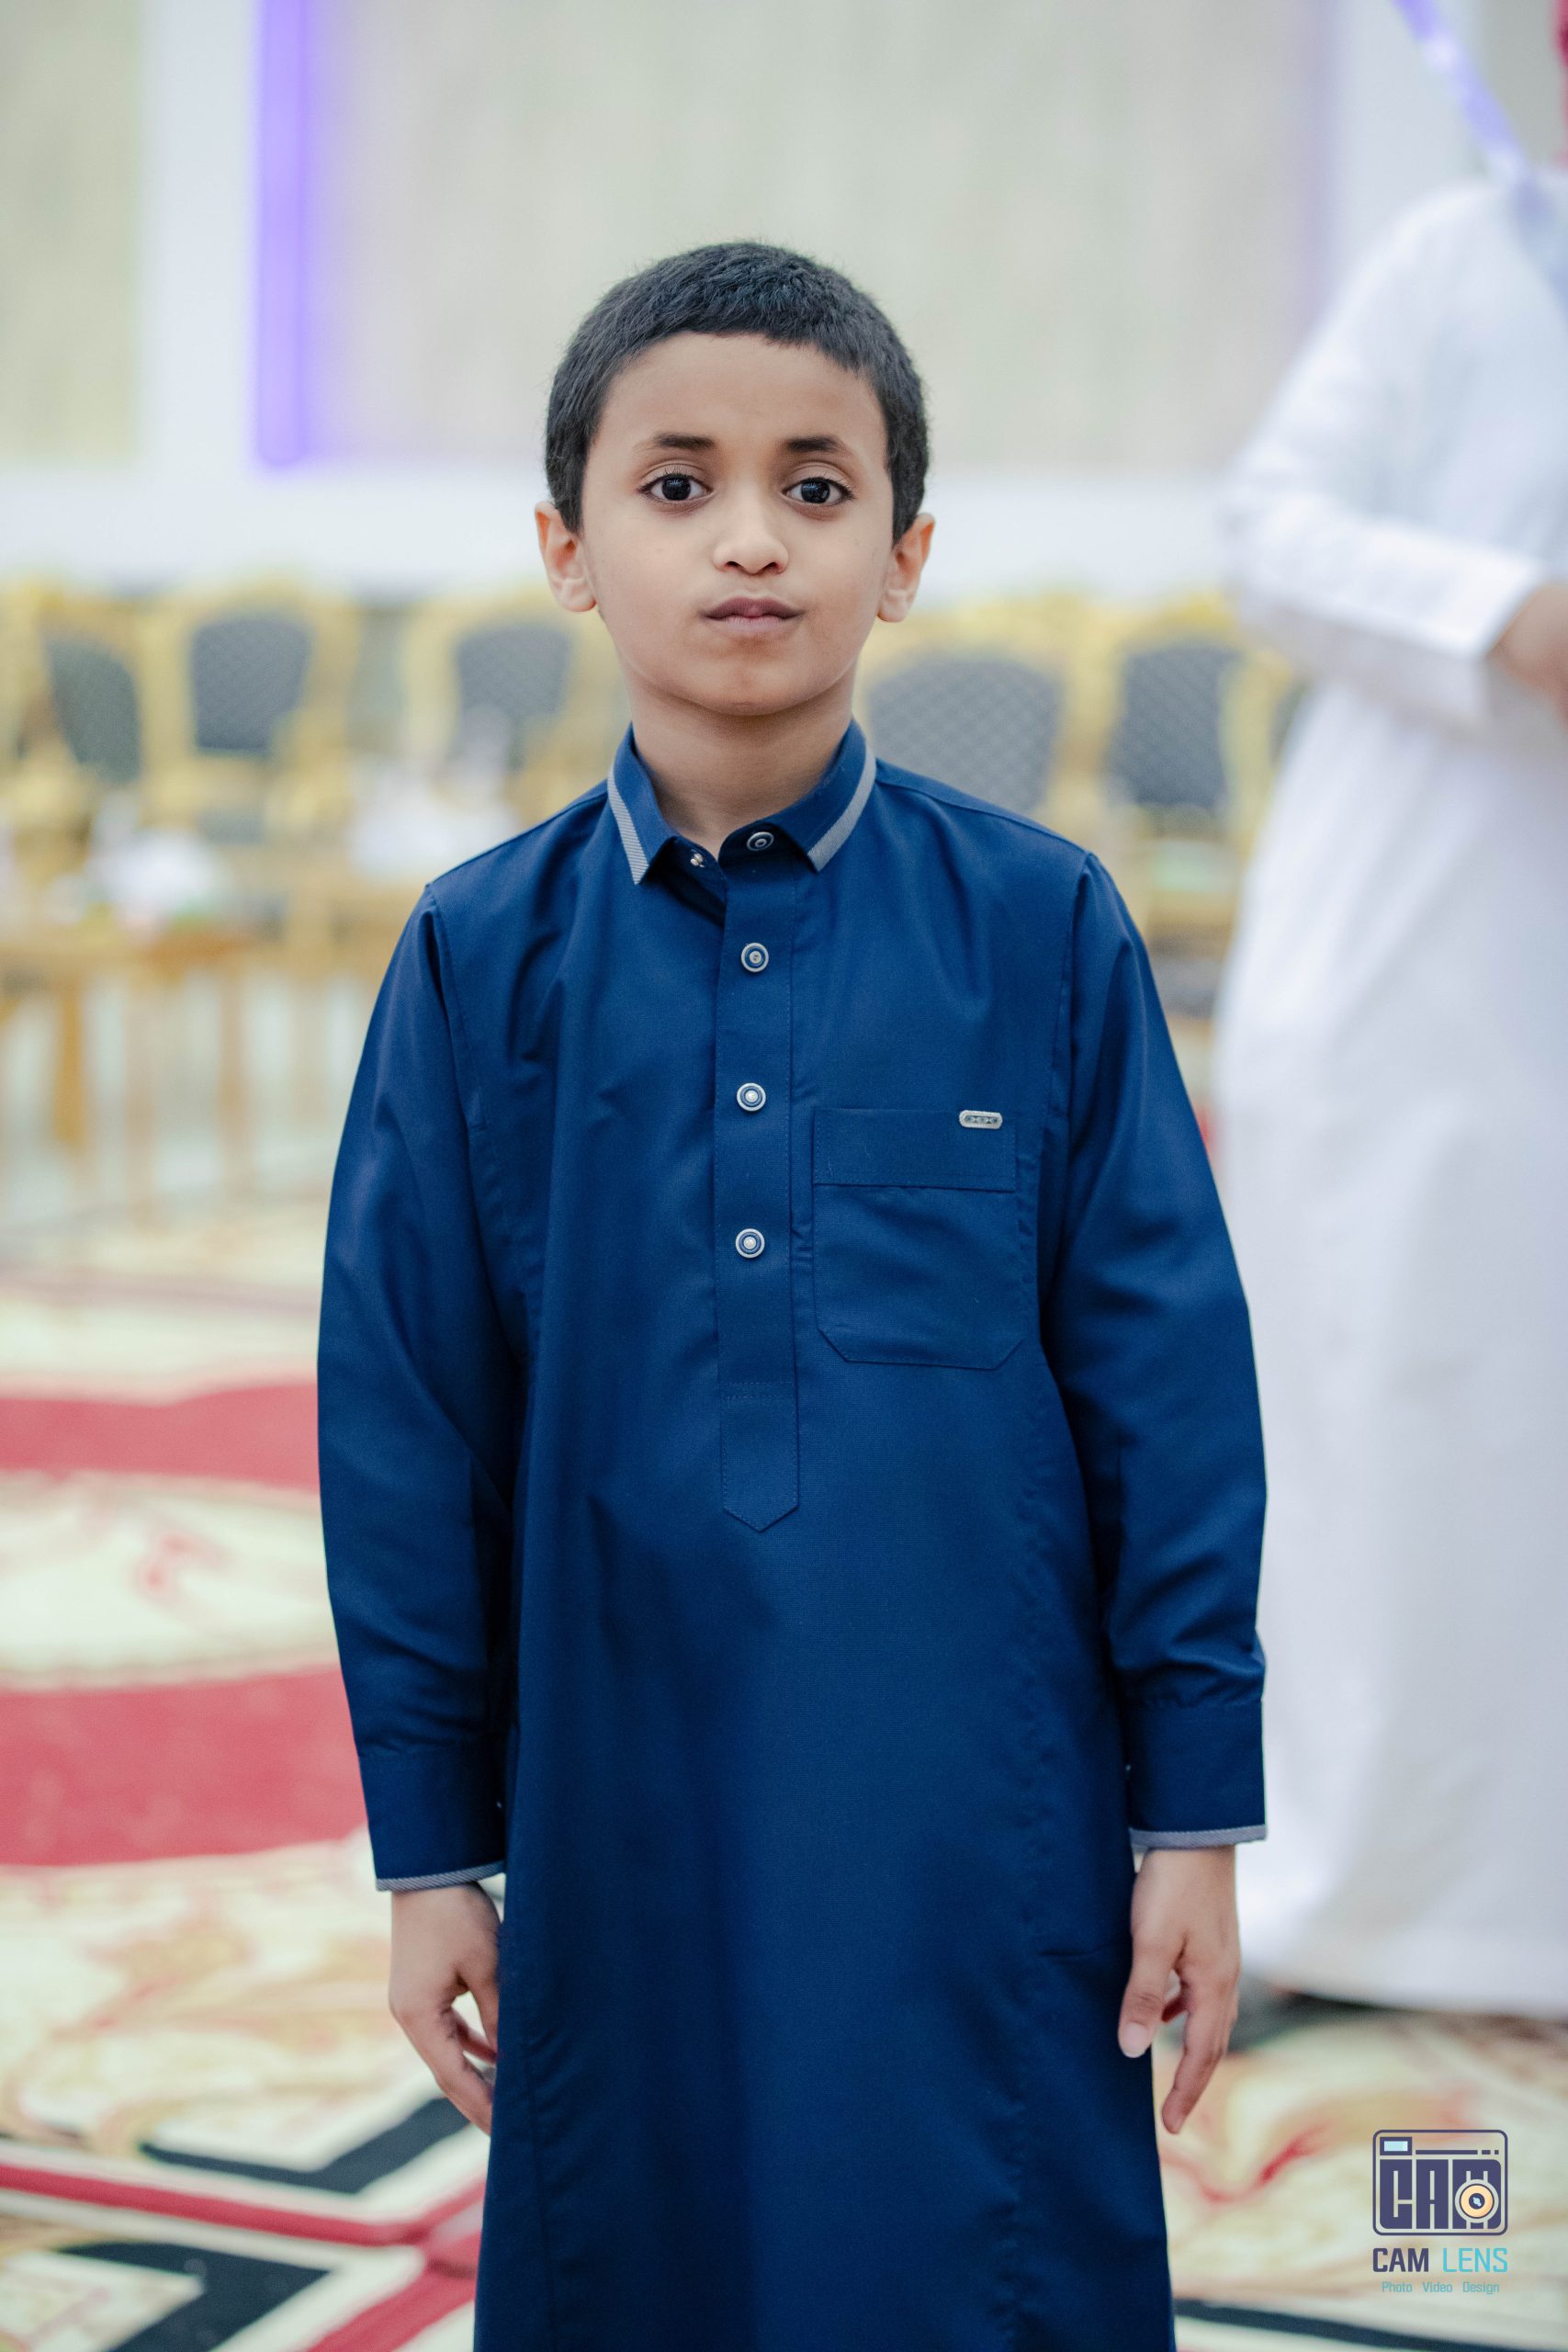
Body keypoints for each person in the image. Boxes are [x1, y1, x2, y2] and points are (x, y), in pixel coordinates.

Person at [317, 241, 1269, 2351]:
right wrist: (429, 1849)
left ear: (903, 555)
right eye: (676, 484)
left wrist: (1191, 1809)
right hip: (615, 1793)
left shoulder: (1037, 928)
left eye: (814, 487)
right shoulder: (478, 959)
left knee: (972, 2251)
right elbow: (406, 1426)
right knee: (641, 2241)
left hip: (981, 1811)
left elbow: (1167, 1387)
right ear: (565, 549)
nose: (748, 537)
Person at [1210, 81, 1568, 2021]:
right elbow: (1265, 530)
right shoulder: (1461, 263)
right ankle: (1352, 1898)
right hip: (1424, 955)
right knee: (1399, 1405)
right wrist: (1503, 614)